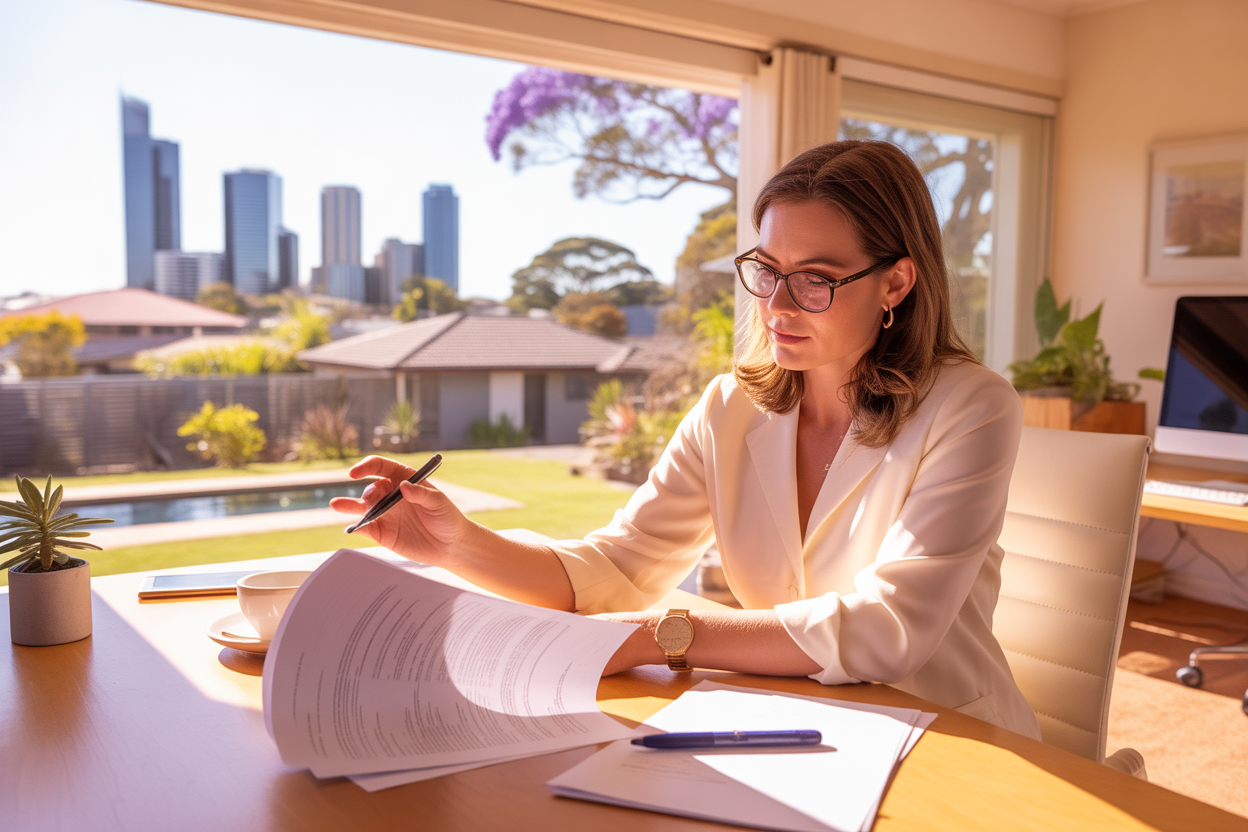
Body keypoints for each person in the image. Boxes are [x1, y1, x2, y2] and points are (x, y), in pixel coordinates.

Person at [331, 140, 1042, 740]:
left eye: (815, 281)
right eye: (767, 272)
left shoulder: (970, 406)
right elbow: (618, 566)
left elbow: (888, 629)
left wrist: (664, 634)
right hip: (806, 730)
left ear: (896, 283)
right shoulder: (731, 407)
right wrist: (458, 543)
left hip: (947, 735)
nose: (775, 307)